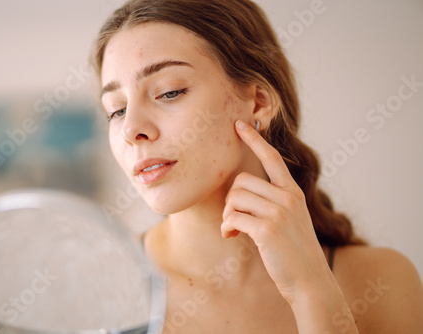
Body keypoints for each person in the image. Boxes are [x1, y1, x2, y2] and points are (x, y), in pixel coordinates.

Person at [91, 0, 423, 332]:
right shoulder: (97, 289)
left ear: (259, 102)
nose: (131, 129)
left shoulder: (381, 283)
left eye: (169, 92)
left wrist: (311, 291)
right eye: (116, 110)